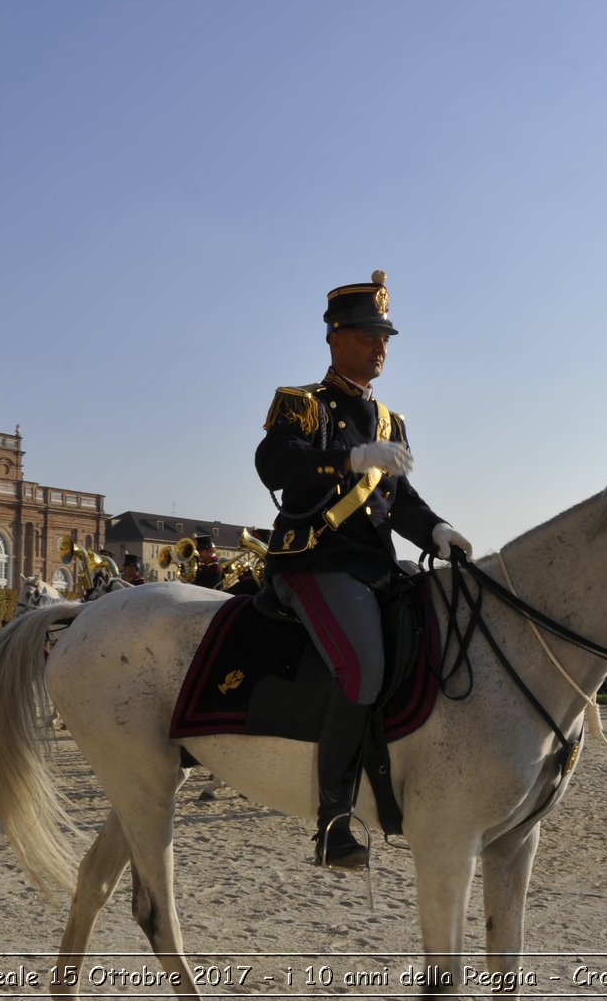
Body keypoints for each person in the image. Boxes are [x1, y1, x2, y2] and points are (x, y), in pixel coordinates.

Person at [255, 268, 471, 870]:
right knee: (364, 665)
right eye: (368, 334)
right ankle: (333, 821)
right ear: (334, 337)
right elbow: (275, 464)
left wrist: (438, 531)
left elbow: (401, 501)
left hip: (378, 566)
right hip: (313, 564)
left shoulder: (389, 423)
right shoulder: (303, 406)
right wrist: (350, 457)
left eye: (385, 336)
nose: (381, 346)